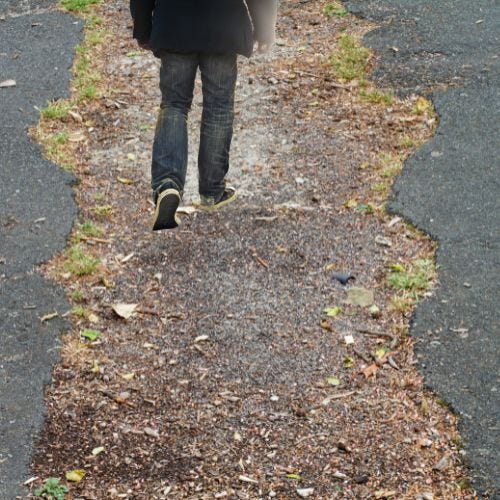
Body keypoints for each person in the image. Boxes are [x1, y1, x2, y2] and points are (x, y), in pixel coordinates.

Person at [129, 0, 278, 231]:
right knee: (218, 107)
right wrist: (265, 26)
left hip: (174, 23)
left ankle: (167, 183)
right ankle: (212, 190)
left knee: (174, 105)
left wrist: (142, 27)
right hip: (224, 24)